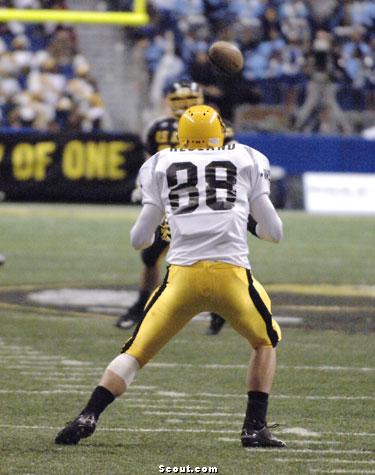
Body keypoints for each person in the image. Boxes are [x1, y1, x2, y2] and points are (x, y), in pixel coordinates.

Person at [55, 104, 285, 448]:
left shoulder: (160, 164)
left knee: (135, 353)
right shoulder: (248, 158)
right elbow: (275, 233)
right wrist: (243, 219)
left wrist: (163, 227)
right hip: (231, 276)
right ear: (219, 133)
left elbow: (139, 240)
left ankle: (88, 415)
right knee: (265, 342)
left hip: (181, 279)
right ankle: (254, 427)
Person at [116, 80, 224, 336]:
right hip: (169, 202)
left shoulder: (213, 124)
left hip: (201, 200)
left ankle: (221, 307)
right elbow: (151, 162)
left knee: (210, 256)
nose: (185, 106)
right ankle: (143, 304)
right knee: (153, 255)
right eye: (181, 100)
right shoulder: (159, 128)